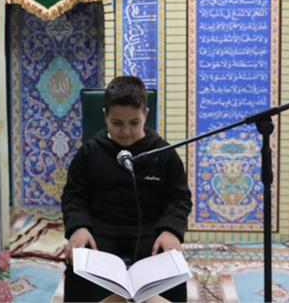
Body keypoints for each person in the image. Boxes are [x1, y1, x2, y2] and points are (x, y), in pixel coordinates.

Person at [61, 76, 192, 302]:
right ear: (105, 116)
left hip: (152, 231)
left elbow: (179, 199)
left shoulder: (164, 154)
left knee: (172, 265)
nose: (126, 131)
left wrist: (171, 231)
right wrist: (78, 228)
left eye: (134, 122)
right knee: (78, 263)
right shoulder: (89, 153)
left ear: (145, 114)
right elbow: (74, 196)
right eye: (117, 123)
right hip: (100, 230)